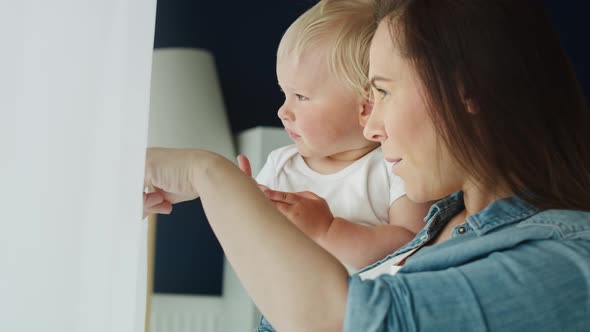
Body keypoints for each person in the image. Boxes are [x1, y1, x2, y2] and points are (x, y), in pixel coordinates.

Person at [143, 0, 590, 331]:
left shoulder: (569, 259)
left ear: (465, 89)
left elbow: (346, 322)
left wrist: (207, 173)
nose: (371, 128)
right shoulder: (441, 227)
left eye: (384, 92)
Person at [237, 0, 431, 273]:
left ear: (367, 105)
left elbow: (411, 244)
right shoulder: (281, 166)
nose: (283, 111)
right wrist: (243, 208)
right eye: (285, 94)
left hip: (362, 310)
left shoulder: (396, 166)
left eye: (301, 96)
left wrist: (328, 231)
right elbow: (255, 250)